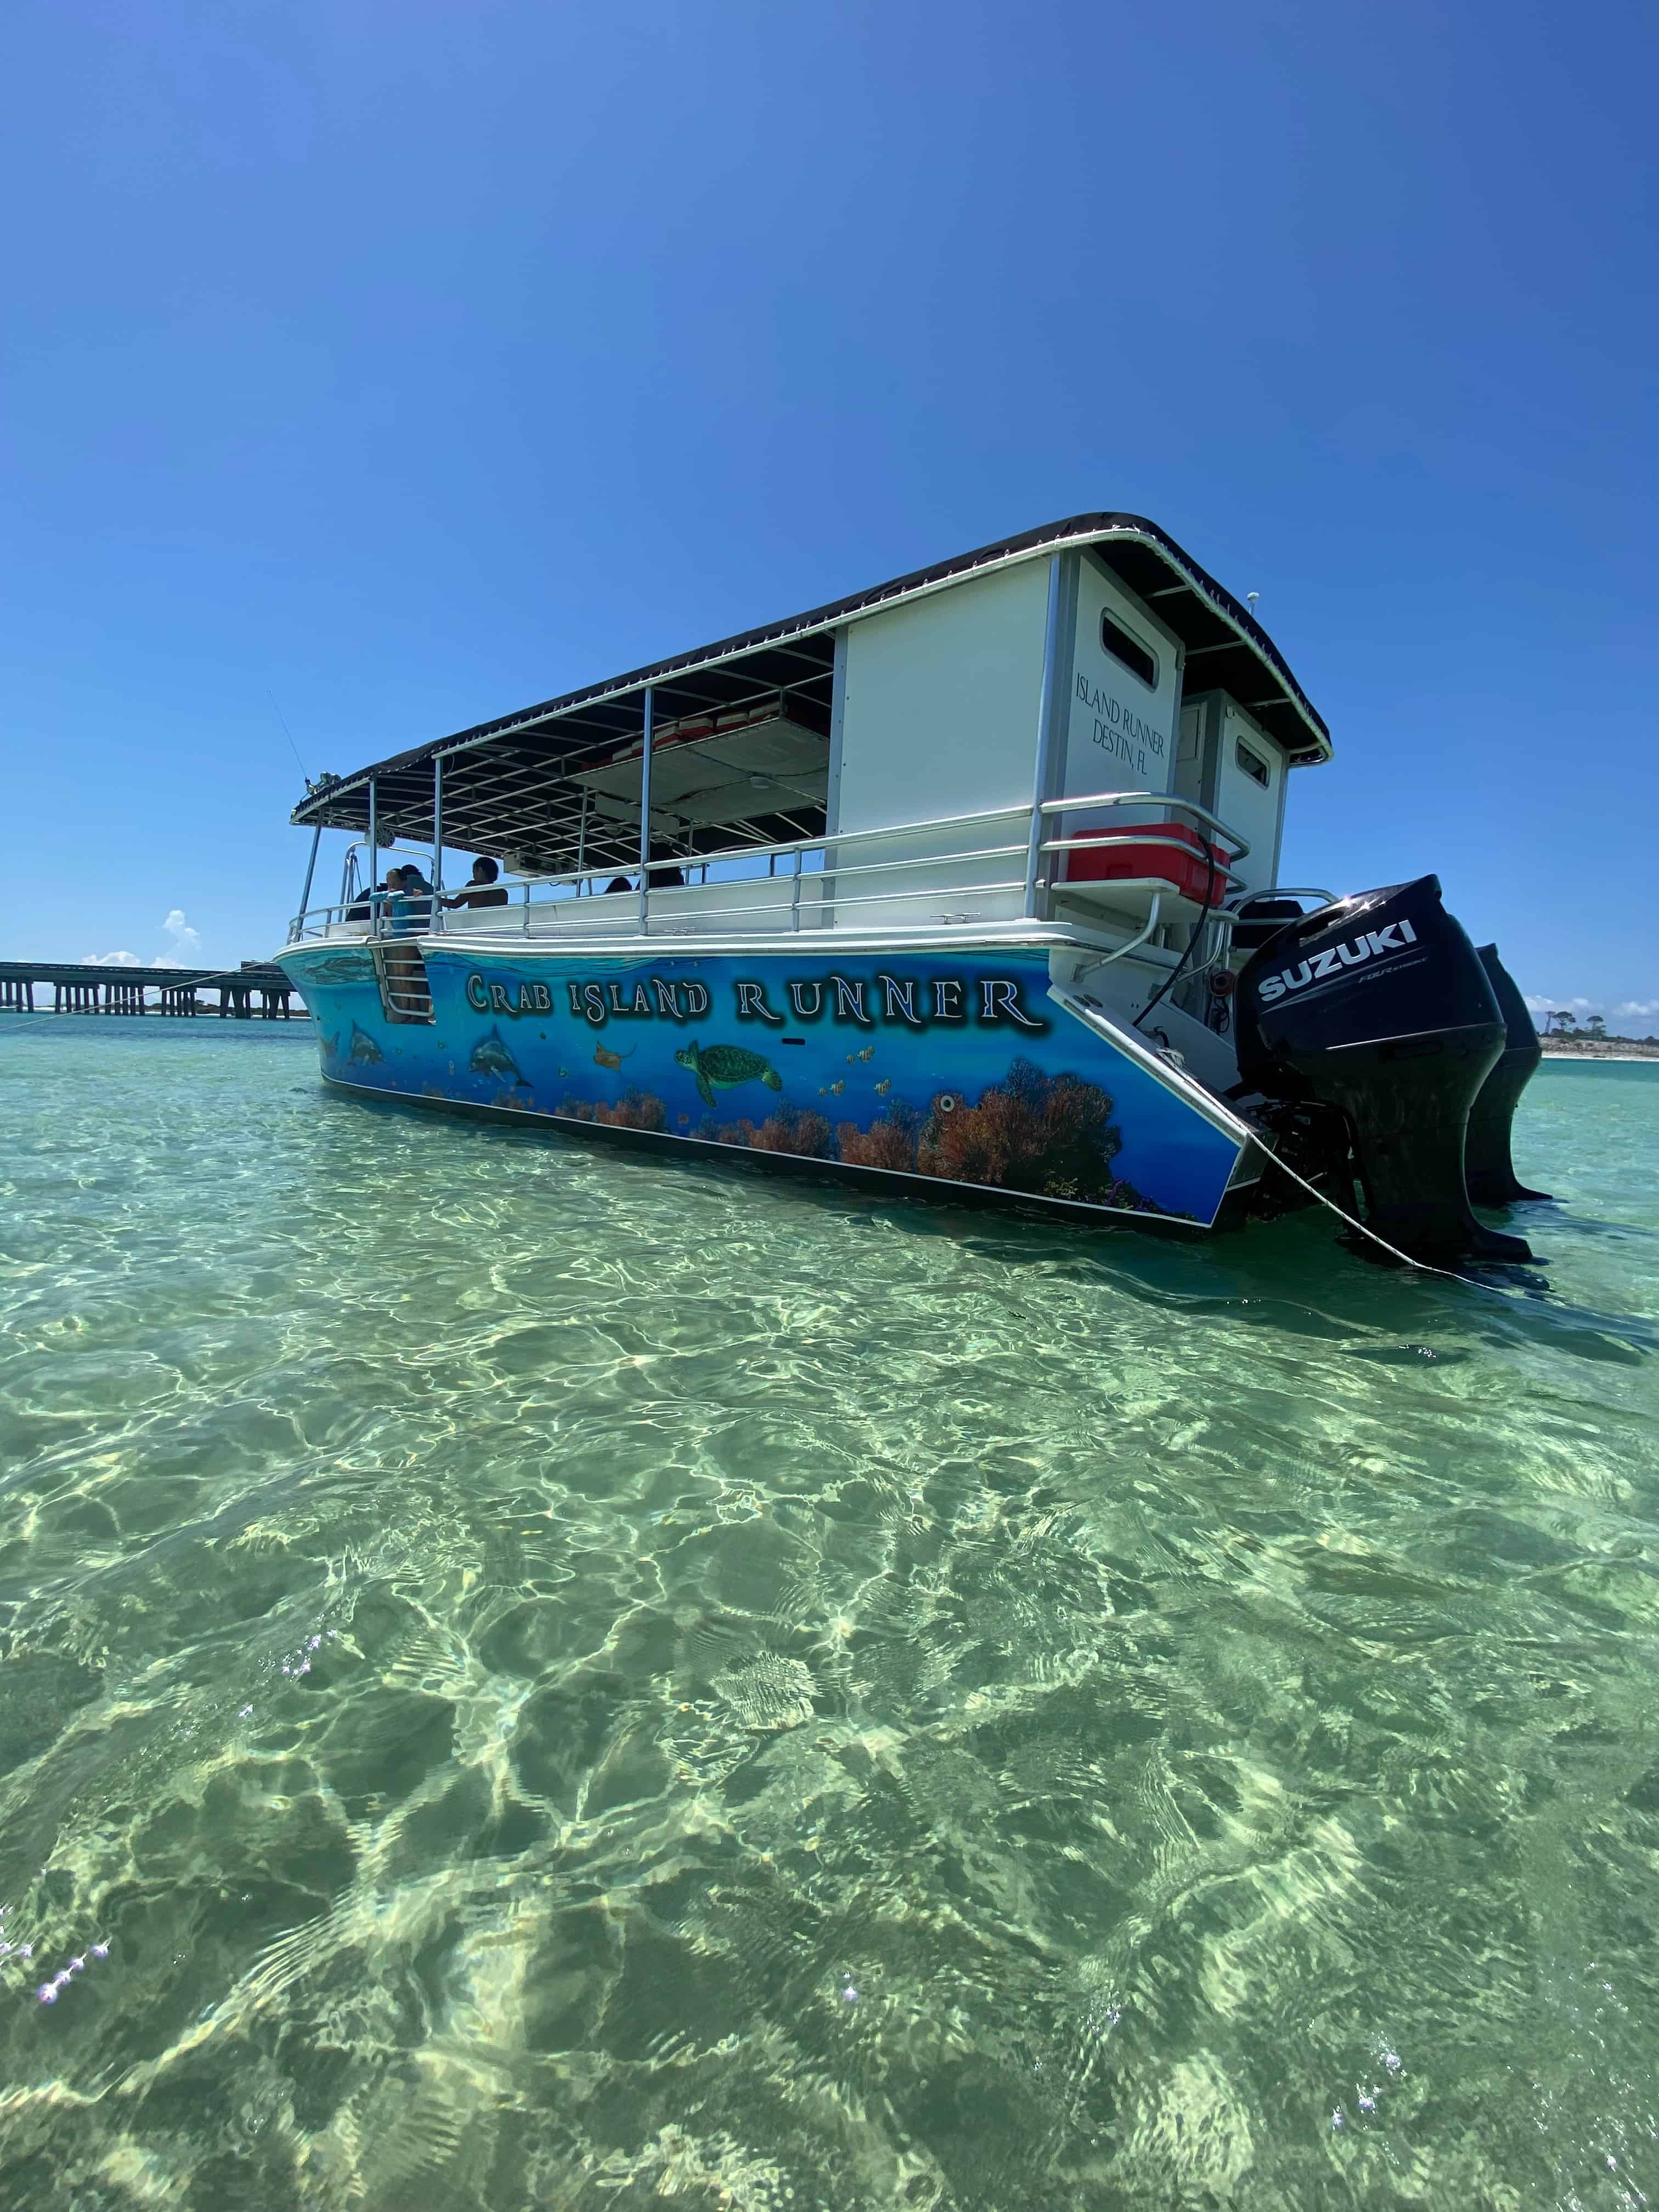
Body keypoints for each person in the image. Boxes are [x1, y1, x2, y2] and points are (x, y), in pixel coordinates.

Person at [443, 857, 510, 911]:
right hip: (496, 926)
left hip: (476, 925)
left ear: (480, 870)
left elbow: (455, 904)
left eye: (474, 872)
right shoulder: (503, 893)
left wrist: (436, 899)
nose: (473, 876)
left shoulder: (473, 886)